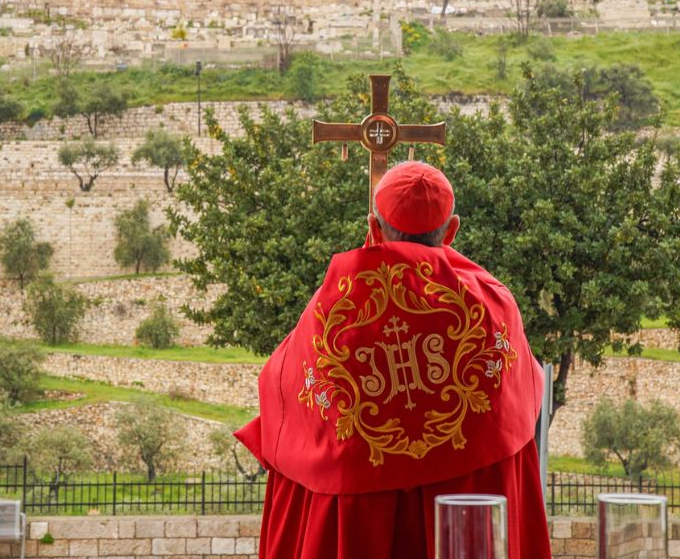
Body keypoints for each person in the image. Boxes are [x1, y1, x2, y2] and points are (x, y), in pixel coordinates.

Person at [235, 161, 551, 559]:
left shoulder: (332, 310)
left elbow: (287, 397)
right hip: (461, 524)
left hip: (362, 527)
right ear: (452, 230)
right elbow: (517, 410)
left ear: (373, 226)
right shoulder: (491, 307)